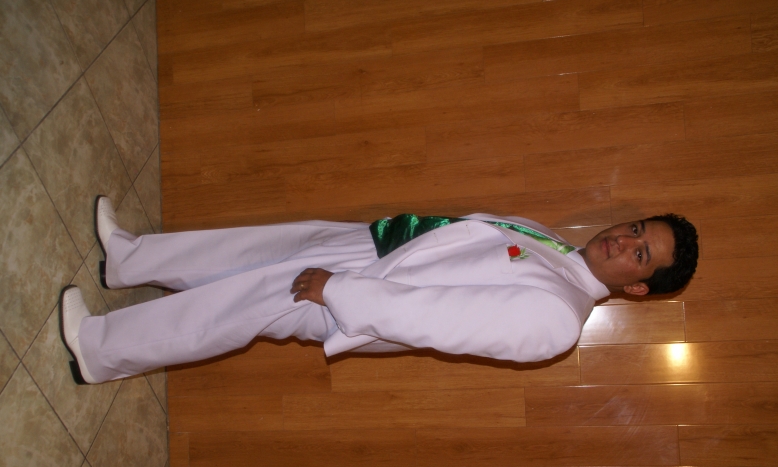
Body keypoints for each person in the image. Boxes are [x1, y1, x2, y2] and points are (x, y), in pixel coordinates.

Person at [59, 197, 698, 384]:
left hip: (358, 293)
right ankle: (129, 259)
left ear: (638, 288)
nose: (623, 240)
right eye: (635, 228)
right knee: (248, 251)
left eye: (639, 253)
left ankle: (99, 349)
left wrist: (342, 293)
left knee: (230, 310)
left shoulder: (558, 320)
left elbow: (439, 320)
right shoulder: (555, 244)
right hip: (372, 247)